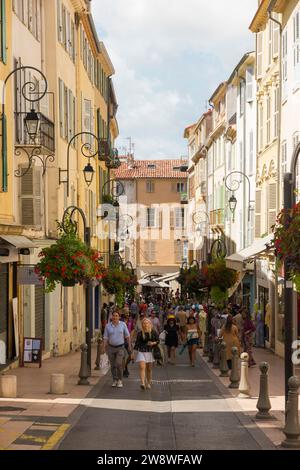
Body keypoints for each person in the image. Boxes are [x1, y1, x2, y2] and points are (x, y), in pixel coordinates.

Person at [103, 311, 132, 388]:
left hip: (120, 348)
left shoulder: (123, 325)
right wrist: (104, 347)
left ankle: (120, 380)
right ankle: (115, 379)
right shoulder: (108, 326)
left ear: (119, 317)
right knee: (112, 365)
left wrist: (129, 346)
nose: (115, 317)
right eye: (114, 316)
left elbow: (127, 336)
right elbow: (105, 338)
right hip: (111, 348)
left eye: (116, 316)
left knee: (118, 364)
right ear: (111, 317)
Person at [134, 317, 159, 390]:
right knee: (142, 367)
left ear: (150, 324)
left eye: (147, 323)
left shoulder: (153, 332)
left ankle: (148, 382)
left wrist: (153, 343)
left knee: (149, 369)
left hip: (150, 352)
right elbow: (137, 344)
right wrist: (133, 353)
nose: (145, 324)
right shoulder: (140, 333)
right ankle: (142, 383)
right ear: (142, 325)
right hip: (141, 352)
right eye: (144, 323)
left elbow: (158, 341)